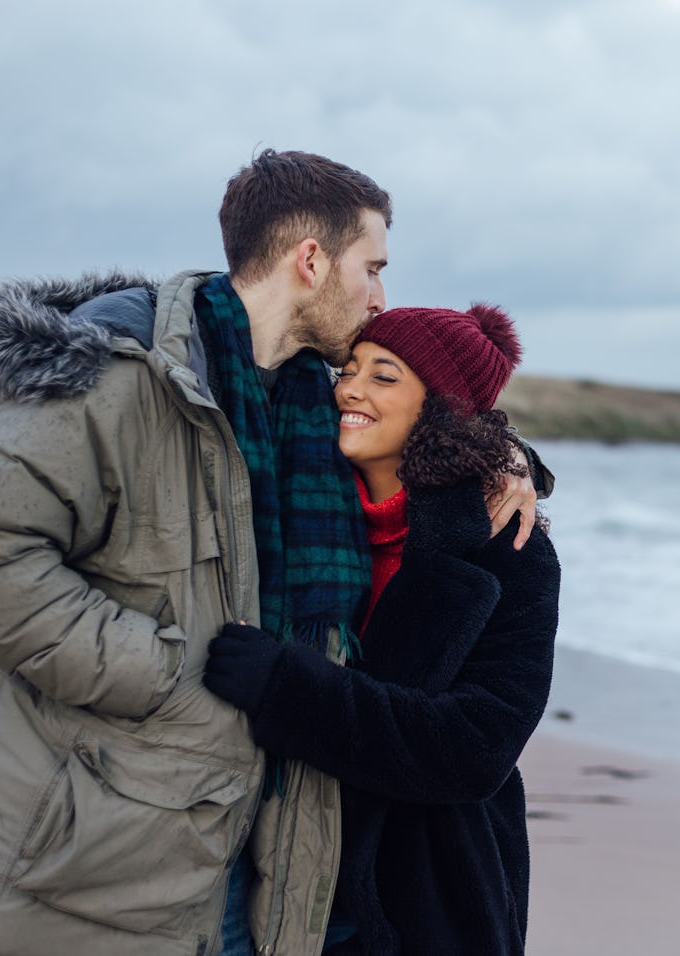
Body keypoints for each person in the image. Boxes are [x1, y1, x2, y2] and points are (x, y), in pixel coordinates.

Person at [0, 150, 544, 956]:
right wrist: (171, 673)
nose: (379, 297)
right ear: (310, 261)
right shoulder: (122, 381)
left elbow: (430, 431)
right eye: (372, 268)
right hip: (77, 853)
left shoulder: (308, 407)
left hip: (246, 861)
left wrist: (511, 463)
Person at [204, 304, 561, 955]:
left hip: (419, 885)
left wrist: (289, 690)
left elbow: (475, 746)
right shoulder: (300, 493)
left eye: (384, 375)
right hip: (264, 856)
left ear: (441, 409)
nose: (350, 388)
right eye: (350, 368)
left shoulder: (507, 542)